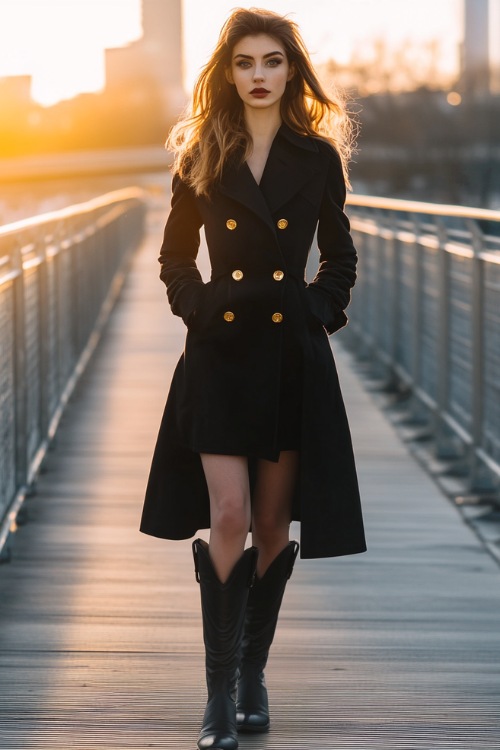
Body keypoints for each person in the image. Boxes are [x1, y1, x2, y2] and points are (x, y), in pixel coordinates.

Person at [140, 7, 366, 749]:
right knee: (228, 515)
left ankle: (251, 676)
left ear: (291, 70)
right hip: (220, 354)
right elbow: (174, 256)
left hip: (290, 361)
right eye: (245, 63)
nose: (259, 75)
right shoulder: (202, 149)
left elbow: (340, 257)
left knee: (272, 524)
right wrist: (198, 307)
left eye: (273, 61)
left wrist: (314, 314)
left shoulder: (317, 157)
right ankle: (216, 693)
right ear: (227, 71)